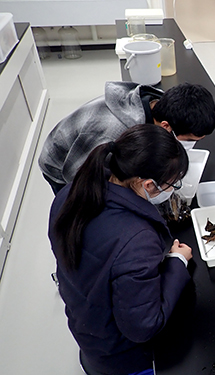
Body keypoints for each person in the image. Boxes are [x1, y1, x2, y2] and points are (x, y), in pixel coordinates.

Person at [48, 124, 192, 375]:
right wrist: (177, 263)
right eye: (173, 184)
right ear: (147, 185)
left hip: (89, 330)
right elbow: (143, 325)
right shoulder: (137, 240)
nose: (171, 191)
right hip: (124, 357)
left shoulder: (72, 192)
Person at [39, 81, 215, 194]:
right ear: (165, 126)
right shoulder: (114, 133)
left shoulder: (162, 104)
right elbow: (79, 177)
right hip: (63, 164)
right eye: (189, 140)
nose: (189, 146)